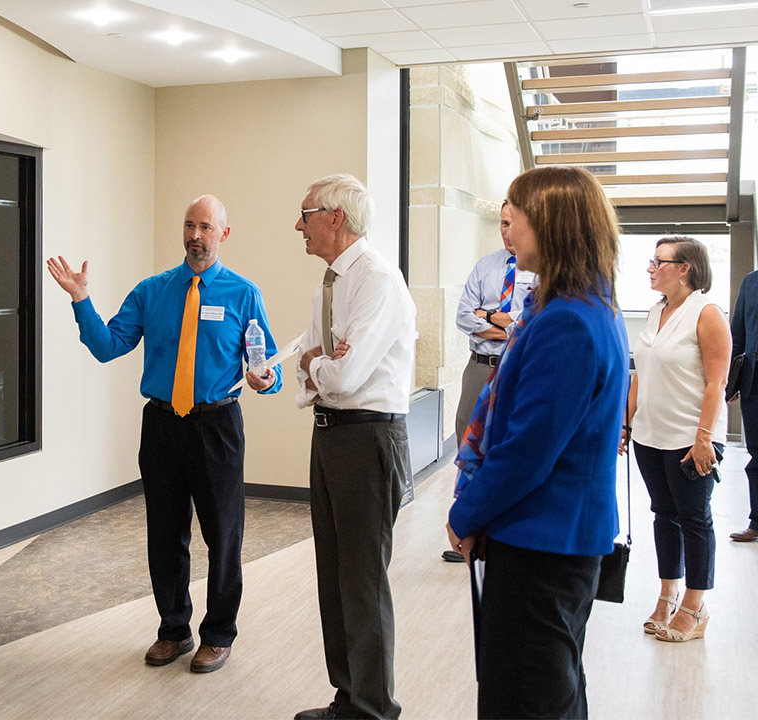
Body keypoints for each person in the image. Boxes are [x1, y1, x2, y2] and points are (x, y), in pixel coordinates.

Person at [47, 194, 282, 674]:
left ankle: (218, 635)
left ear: (224, 234)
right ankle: (173, 630)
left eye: (206, 228)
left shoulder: (243, 293)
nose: (196, 236)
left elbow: (266, 367)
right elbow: (107, 346)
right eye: (189, 225)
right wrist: (81, 300)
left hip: (217, 426)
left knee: (223, 536)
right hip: (161, 426)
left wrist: (265, 380)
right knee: (165, 535)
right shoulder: (152, 291)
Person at [446, 166, 627, 718]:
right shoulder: (584, 308)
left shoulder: (566, 322)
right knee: (552, 687)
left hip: (542, 541)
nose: (507, 232)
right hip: (555, 541)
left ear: (550, 225)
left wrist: (465, 514)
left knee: (527, 695)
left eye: (515, 218)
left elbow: (527, 451)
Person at [292, 174, 415, 720]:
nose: (298, 225)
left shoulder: (377, 280)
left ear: (335, 217)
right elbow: (317, 363)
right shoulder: (330, 281)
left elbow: (346, 373)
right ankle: (349, 697)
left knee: (362, 580)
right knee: (333, 576)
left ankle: (373, 708)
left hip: (368, 438)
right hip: (332, 435)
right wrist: (316, 361)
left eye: (305, 213)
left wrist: (317, 363)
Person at [624, 236, 728, 643]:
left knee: (695, 520)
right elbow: (639, 373)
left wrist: (704, 438)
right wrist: (626, 423)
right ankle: (668, 592)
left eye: (658, 261)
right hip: (650, 435)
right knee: (663, 515)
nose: (650, 267)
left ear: (685, 268)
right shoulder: (656, 311)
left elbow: (716, 382)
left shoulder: (706, 313)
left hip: (691, 438)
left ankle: (695, 604)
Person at [443, 202, 537, 563]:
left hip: (515, 366)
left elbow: (524, 322)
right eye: (502, 222)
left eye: (513, 222)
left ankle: (499, 532)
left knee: (505, 446)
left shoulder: (542, 269)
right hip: (480, 366)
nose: (506, 230)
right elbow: (464, 315)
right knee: (467, 440)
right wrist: (502, 323)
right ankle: (465, 527)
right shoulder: (486, 265)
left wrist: (493, 318)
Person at [728, 268, 758, 543]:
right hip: (754, 383)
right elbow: (737, 333)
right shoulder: (751, 281)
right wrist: (732, 383)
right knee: (756, 456)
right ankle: (756, 522)